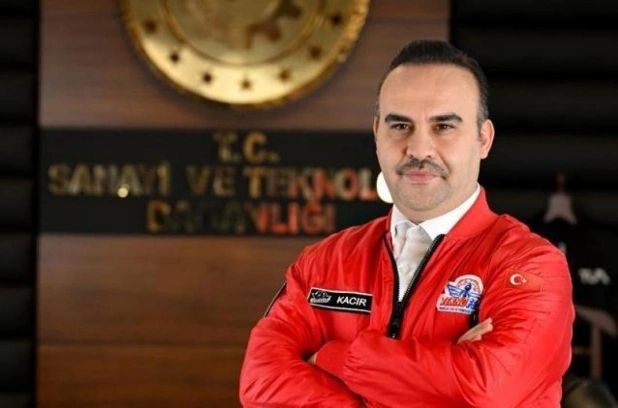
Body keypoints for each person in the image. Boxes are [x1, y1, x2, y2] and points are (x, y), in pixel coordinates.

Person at [239, 39, 574, 407]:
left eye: (443, 126)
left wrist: (336, 357)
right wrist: (438, 376)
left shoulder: (531, 265)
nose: (418, 149)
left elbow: (488, 390)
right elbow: (260, 382)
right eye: (400, 125)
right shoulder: (323, 263)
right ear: (377, 134)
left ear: (483, 139)